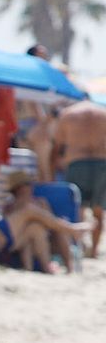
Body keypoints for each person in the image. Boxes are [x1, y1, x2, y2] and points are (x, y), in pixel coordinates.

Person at [4, 171, 90, 274]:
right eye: (28, 184)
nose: (31, 187)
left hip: (46, 241)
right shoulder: (10, 207)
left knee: (58, 229)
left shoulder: (40, 202)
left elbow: (51, 223)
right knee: (36, 228)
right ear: (19, 188)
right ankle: (72, 231)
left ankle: (69, 269)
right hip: (24, 243)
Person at [51, 99, 106, 258]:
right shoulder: (103, 113)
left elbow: (57, 145)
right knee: (98, 211)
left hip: (76, 162)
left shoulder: (68, 114)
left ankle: (78, 248)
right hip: (102, 162)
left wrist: (52, 170)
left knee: (77, 207)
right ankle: (94, 251)